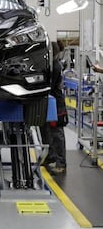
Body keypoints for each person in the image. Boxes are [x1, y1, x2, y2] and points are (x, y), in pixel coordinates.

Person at [40, 41, 67, 175]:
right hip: (49, 102)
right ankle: (50, 156)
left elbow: (48, 86)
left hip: (56, 104)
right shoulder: (50, 65)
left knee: (56, 133)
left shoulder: (55, 66)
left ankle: (61, 163)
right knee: (45, 130)